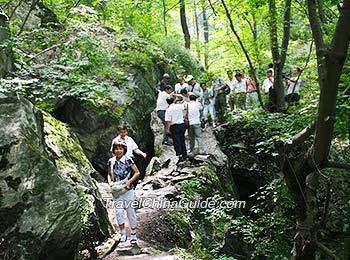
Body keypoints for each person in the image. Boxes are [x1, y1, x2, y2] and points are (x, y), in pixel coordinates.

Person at [108, 141, 140, 244]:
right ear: (114, 150)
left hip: (128, 190)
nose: (119, 151)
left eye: (121, 149)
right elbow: (109, 174)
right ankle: (123, 233)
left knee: (131, 212)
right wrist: (110, 183)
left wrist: (129, 181)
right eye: (117, 149)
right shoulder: (111, 161)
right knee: (119, 212)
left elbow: (137, 172)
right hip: (117, 191)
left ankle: (133, 234)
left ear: (124, 150)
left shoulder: (128, 160)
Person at [165, 97, 187, 162]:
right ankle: (185, 155)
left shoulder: (168, 110)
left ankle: (180, 156)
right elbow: (185, 104)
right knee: (182, 140)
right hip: (181, 125)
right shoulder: (179, 106)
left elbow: (169, 121)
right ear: (174, 100)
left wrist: (168, 130)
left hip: (174, 126)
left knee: (176, 141)